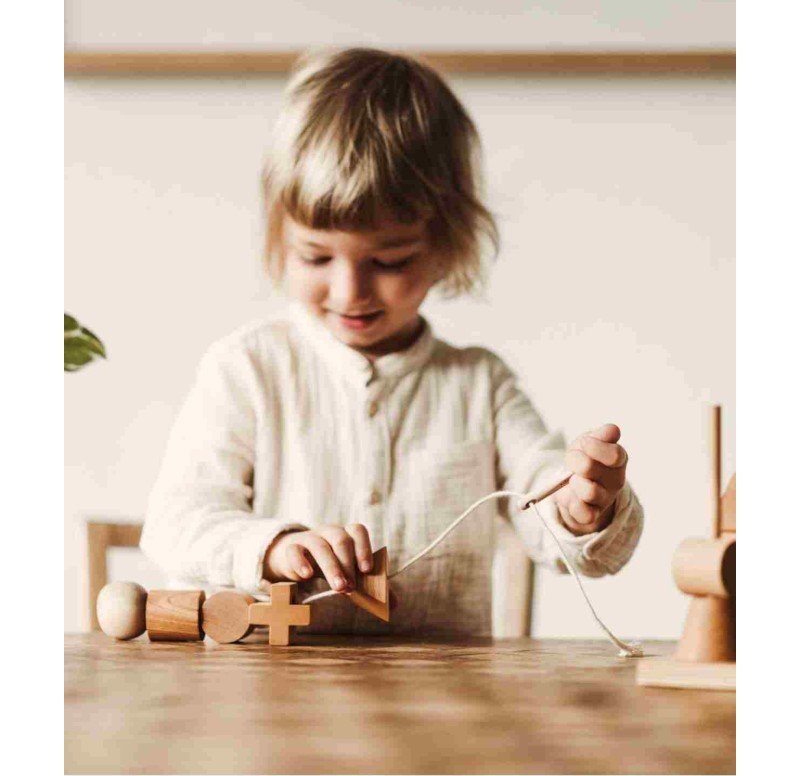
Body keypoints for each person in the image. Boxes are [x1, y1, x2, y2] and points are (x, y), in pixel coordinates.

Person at [140, 47, 643, 636]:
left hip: (443, 713)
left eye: (389, 259)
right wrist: (275, 546)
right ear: (281, 236)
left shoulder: (480, 385)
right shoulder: (247, 369)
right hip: (273, 708)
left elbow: (558, 520)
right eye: (316, 255)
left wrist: (584, 504)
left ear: (448, 245)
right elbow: (176, 525)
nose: (350, 290)